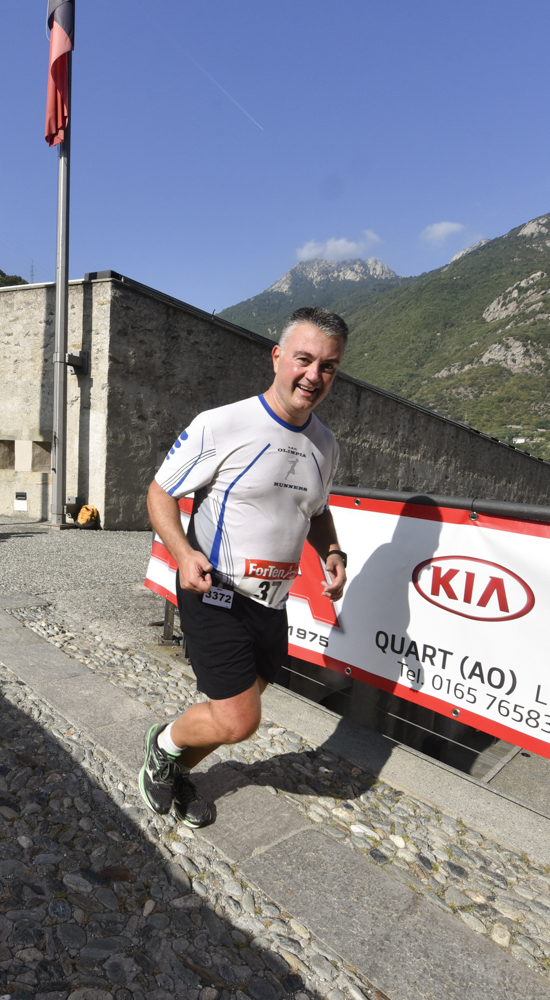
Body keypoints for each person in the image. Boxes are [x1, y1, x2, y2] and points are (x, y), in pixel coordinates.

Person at [141, 307, 349, 826]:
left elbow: (317, 512)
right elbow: (160, 493)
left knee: (231, 713)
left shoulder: (326, 445)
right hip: (216, 591)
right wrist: (183, 554)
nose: (313, 375)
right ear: (277, 357)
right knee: (239, 721)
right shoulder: (222, 424)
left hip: (272, 603)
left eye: (327, 366)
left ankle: (174, 770)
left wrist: (332, 553)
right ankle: (161, 745)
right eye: (304, 359)